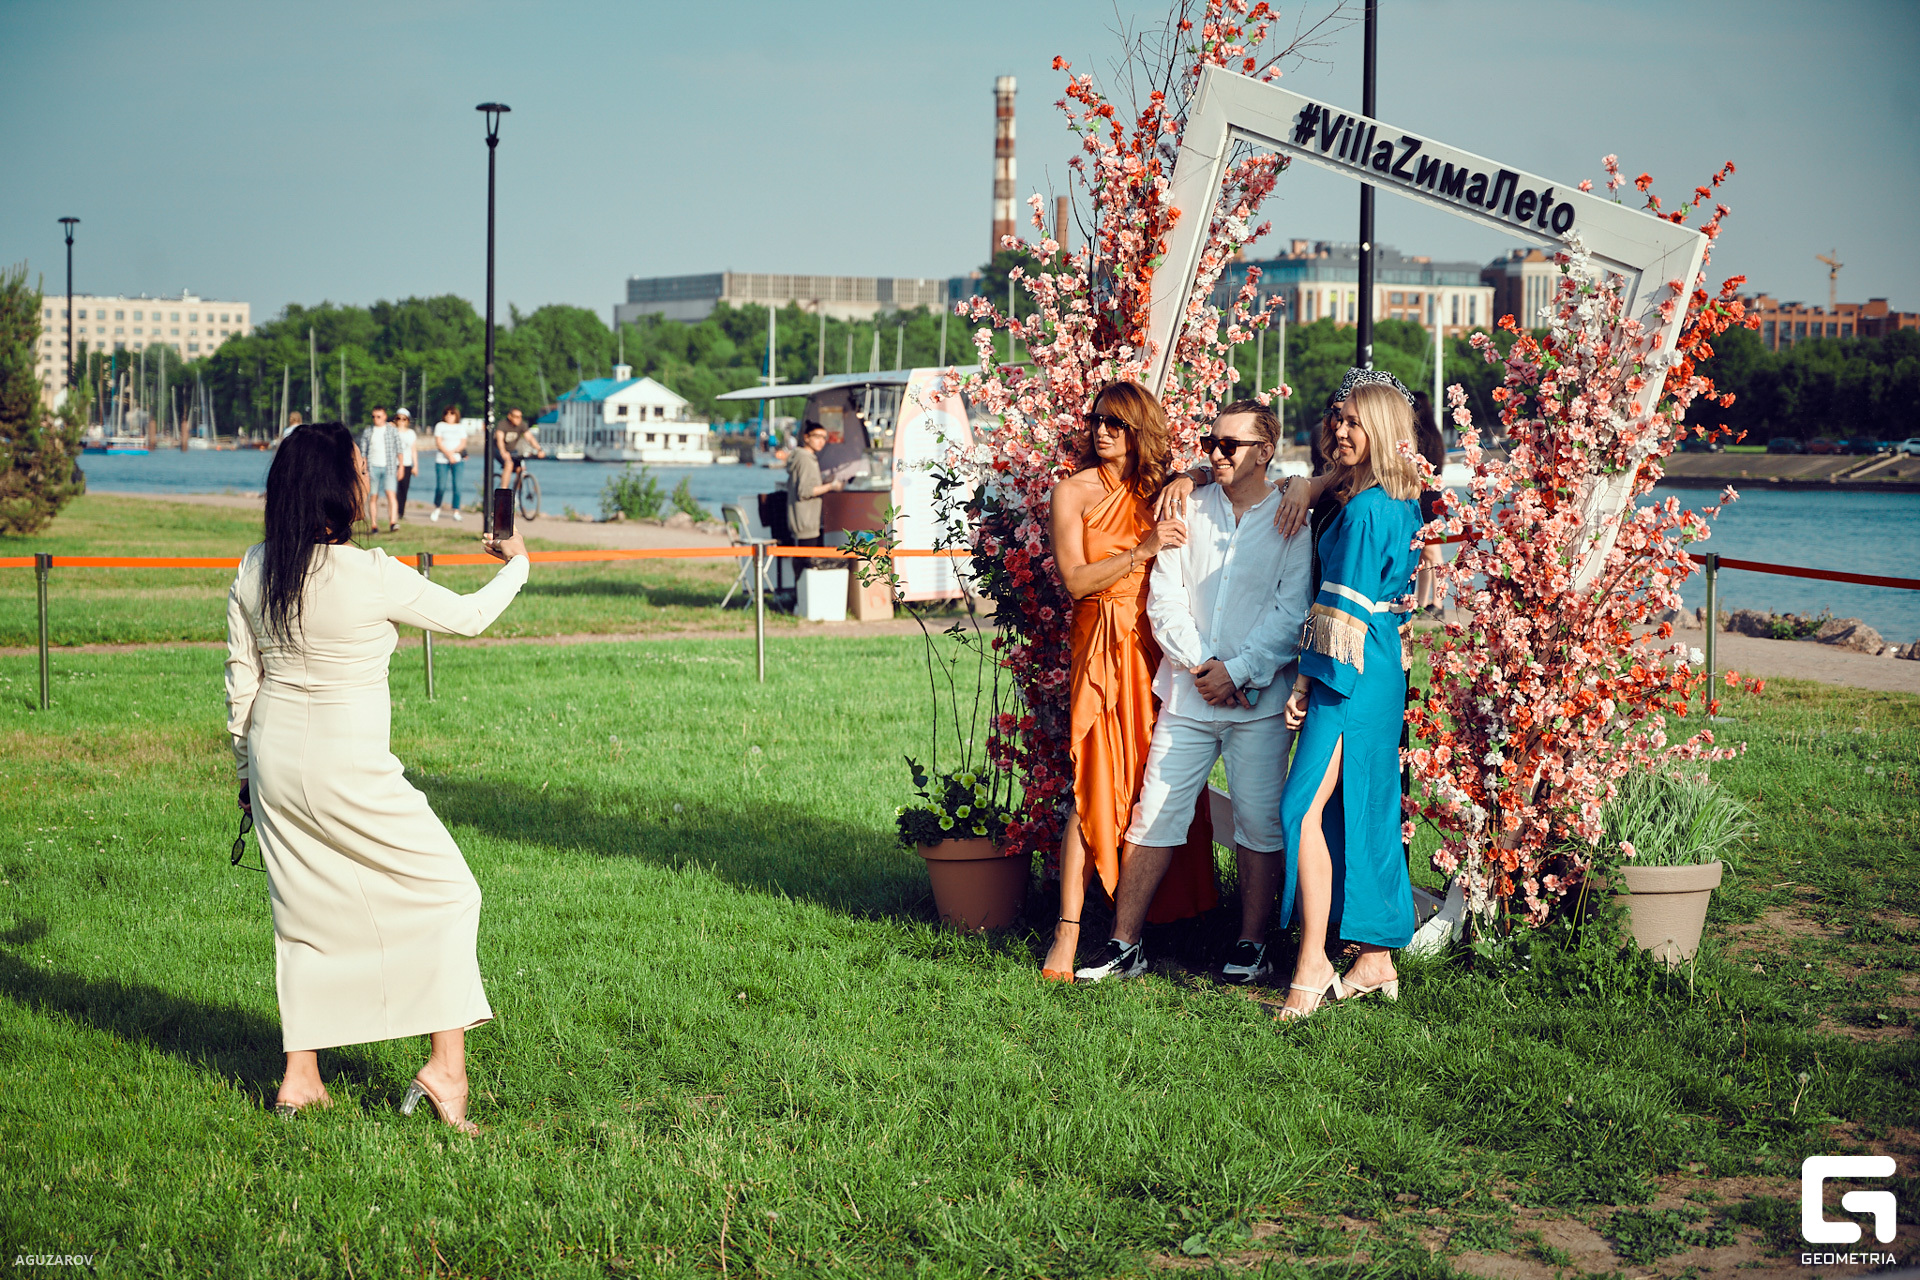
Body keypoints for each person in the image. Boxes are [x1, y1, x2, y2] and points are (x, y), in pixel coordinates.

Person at [224, 421, 530, 1131]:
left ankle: (301, 1078)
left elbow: (242, 680)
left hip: (274, 758)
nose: (368, 478)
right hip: (349, 763)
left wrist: (245, 774)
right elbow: (469, 617)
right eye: (361, 469)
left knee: (302, 915)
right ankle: (445, 1070)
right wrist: (517, 564)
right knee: (449, 892)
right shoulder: (371, 573)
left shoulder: (256, 566)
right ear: (341, 488)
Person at [1077, 399, 1312, 984]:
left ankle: (1252, 944)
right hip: (1187, 696)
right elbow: (1165, 599)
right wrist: (1205, 665)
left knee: (1259, 824)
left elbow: (1291, 612)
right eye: (1211, 443)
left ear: (1265, 451)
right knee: (1154, 814)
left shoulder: (1291, 517)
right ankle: (1124, 944)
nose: (1215, 453)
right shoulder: (1185, 505)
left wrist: (1240, 671)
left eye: (1229, 445)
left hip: (1258, 704)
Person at [1040, 382, 1217, 983]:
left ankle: (1163, 921)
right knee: (1092, 784)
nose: (1102, 431)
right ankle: (1067, 930)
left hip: (1155, 648)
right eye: (1096, 420)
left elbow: (1217, 474)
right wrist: (1141, 550)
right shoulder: (1072, 491)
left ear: (1140, 429)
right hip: (1100, 647)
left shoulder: (1160, 489)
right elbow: (1075, 580)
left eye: (1116, 422)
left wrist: (1188, 476)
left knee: (1157, 782)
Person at [1276, 380, 1425, 1019]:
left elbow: (1341, 613)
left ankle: (1313, 963)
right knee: (1362, 802)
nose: (1340, 431)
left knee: (1300, 808)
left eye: (1355, 424)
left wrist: (1304, 682)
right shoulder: (1395, 500)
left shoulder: (1366, 511)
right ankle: (1374, 957)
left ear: (1383, 432)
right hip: (1380, 661)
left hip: (1351, 667)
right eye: (1338, 419)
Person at [786, 421, 845, 561]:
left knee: (802, 563)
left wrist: (824, 481)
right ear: (806, 437)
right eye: (817, 436)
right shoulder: (806, 459)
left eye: (824, 437)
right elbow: (805, 491)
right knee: (808, 564)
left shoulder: (800, 456)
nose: (821, 441)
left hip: (801, 521)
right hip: (806, 522)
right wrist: (831, 486)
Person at [361, 407, 402, 535]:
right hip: (372, 467)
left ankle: (393, 522)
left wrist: (401, 467)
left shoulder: (392, 431)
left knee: (391, 494)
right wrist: (364, 470)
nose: (375, 419)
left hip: (389, 467)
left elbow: (399, 450)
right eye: (373, 416)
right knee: (373, 496)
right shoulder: (368, 432)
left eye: (378, 416)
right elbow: (363, 452)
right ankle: (374, 525)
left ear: (385, 416)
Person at [493, 407, 546, 498]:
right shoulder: (503, 424)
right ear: (510, 416)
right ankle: (503, 492)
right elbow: (500, 440)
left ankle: (515, 494)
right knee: (509, 464)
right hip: (498, 449)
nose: (519, 419)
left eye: (520, 417)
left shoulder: (522, 425)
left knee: (521, 469)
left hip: (512, 450)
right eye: (516, 417)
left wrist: (539, 450)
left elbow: (530, 438)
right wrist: (503, 452)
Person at [431, 405, 467, 523]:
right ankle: (437, 507)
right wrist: (448, 454)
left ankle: (456, 511)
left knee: (457, 486)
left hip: (457, 459)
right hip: (442, 459)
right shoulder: (440, 426)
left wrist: (454, 452)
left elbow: (463, 443)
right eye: (446, 413)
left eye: (452, 413)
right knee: (441, 486)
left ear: (456, 415)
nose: (449, 416)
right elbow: (439, 442)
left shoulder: (460, 427)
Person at [393, 407, 418, 522]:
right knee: (393, 489)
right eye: (398, 418)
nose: (401, 421)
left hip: (407, 464)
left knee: (404, 489)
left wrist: (416, 466)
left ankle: (401, 512)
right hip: (394, 464)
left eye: (404, 419)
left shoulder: (411, 433)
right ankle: (394, 512)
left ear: (408, 420)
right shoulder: (392, 432)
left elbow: (413, 450)